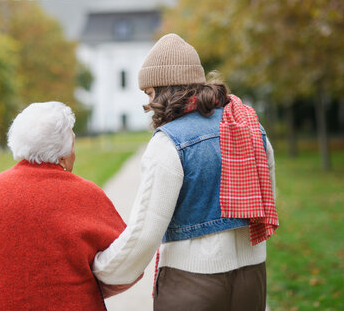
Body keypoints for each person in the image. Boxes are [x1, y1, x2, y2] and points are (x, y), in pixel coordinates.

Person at [92, 34, 279, 311]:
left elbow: (144, 233)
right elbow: (267, 200)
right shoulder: (251, 128)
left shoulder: (169, 141)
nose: (148, 101)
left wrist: (101, 271)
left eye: (149, 92)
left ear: (164, 89)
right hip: (252, 279)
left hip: (192, 283)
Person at [0, 101, 139, 310]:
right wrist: (84, 288)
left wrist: (8, 288)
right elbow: (127, 265)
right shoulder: (90, 196)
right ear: (63, 152)